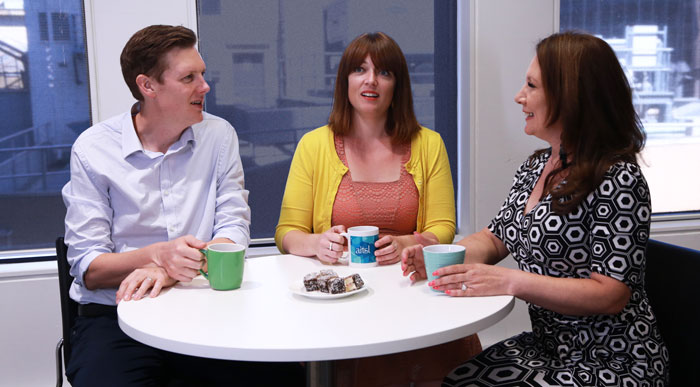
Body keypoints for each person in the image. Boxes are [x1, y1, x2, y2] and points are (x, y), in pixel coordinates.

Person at [402, 31, 669, 386]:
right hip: (549, 348)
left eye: (531, 85)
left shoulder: (618, 178)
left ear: (570, 95)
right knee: (449, 381)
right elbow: (494, 240)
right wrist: (438, 256)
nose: (519, 96)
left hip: (612, 362)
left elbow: (610, 293)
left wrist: (512, 281)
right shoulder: (537, 166)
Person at [62, 25, 302, 386]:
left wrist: (171, 271)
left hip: (205, 307)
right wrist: (159, 255)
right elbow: (89, 268)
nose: (205, 87)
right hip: (117, 316)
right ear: (148, 86)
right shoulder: (92, 149)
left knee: (281, 377)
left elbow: (233, 230)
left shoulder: (219, 136)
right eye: (189, 77)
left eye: (202, 74)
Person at [275, 32, 480, 386]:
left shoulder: (428, 143)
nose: (371, 80)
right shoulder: (313, 145)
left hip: (410, 293)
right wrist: (316, 243)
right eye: (360, 69)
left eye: (384, 72)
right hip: (344, 301)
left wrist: (409, 242)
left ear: (397, 85)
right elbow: (286, 232)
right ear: (345, 82)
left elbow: (444, 225)